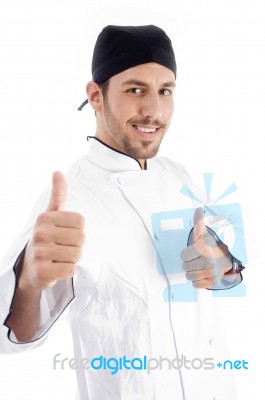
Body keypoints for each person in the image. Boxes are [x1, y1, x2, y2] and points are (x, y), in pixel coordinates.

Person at [0, 25, 244, 399]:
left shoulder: (179, 175)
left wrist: (223, 265)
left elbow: (227, 269)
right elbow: (14, 335)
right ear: (96, 96)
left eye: (165, 90)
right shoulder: (70, 198)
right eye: (135, 90)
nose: (154, 110)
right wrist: (29, 282)